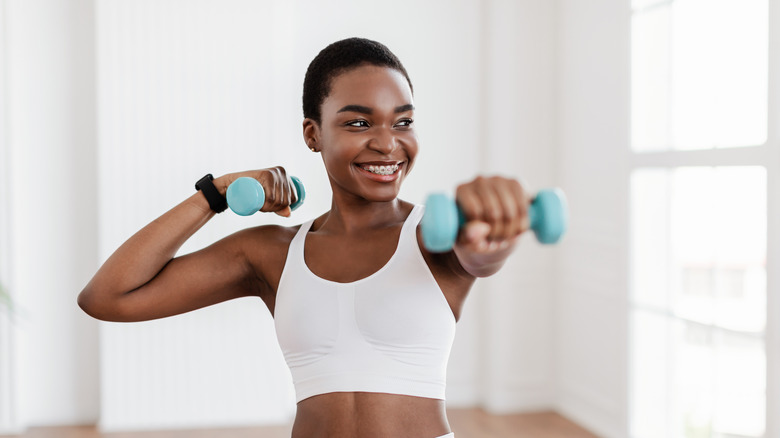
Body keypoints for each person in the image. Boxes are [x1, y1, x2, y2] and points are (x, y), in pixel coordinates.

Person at [78, 37, 531, 438]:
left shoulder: (437, 235)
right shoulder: (271, 252)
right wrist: (214, 194)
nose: (388, 144)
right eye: (358, 123)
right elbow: (107, 296)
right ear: (313, 134)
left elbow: (481, 254)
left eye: (403, 122)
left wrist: (496, 229)